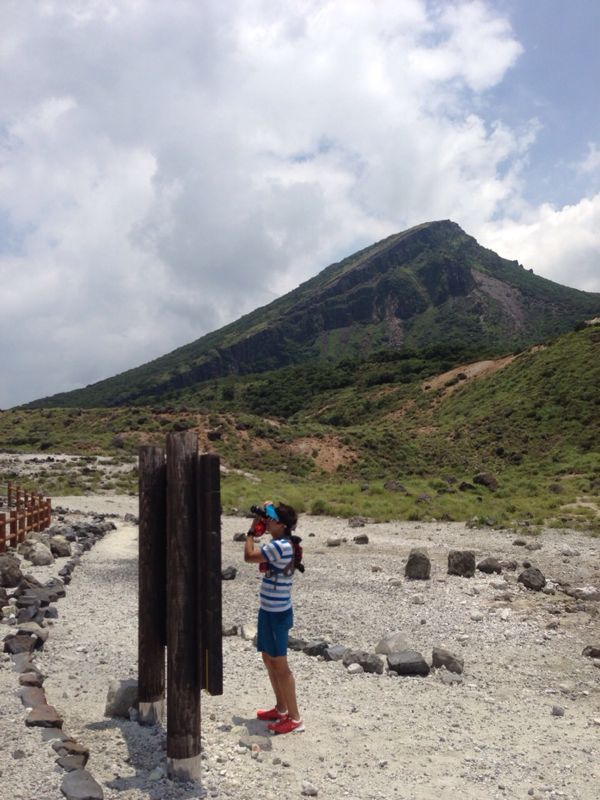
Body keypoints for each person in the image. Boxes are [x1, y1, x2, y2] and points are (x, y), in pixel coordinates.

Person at [244, 501, 304, 734]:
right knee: (268, 658)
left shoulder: (281, 546)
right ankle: (280, 709)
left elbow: (249, 556)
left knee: (281, 665)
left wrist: (251, 530)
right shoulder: (278, 543)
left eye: (270, 519)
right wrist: (267, 508)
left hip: (277, 614)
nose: (266, 521)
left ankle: (295, 718)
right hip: (268, 610)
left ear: (281, 524)